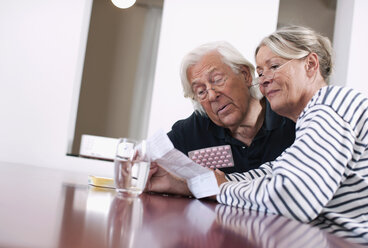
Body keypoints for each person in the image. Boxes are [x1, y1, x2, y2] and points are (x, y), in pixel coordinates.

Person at [147, 26, 368, 245]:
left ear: (310, 64)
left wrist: (220, 188)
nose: (262, 80)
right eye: (261, 72)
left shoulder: (330, 107)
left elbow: (292, 198)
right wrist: (191, 184)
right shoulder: (312, 118)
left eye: (274, 66)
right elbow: (268, 175)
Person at [167, 41, 295, 174]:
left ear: (245, 75)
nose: (211, 96)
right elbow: (152, 162)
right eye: (201, 91)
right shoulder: (191, 133)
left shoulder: (291, 115)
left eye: (217, 80)